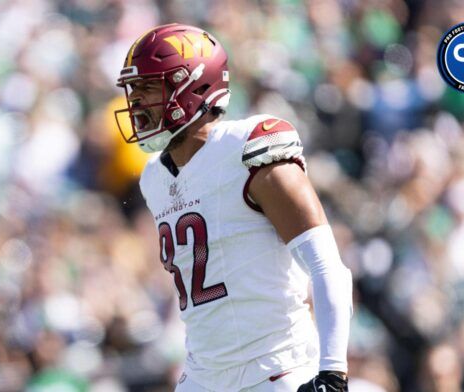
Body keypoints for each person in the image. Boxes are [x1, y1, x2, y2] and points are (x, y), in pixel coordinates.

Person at [113, 23, 352, 392]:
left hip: (275, 370)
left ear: (192, 87)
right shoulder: (153, 178)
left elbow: (326, 266)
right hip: (202, 377)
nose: (137, 103)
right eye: (134, 90)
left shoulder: (250, 148)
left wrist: (333, 372)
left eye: (148, 87)